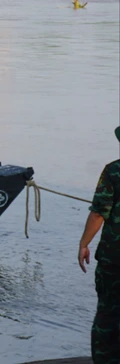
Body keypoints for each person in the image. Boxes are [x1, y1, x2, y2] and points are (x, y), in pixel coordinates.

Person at [78, 125, 120, 363]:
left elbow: (98, 213)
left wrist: (84, 243)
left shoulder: (114, 171)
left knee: (108, 314)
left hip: (114, 260)